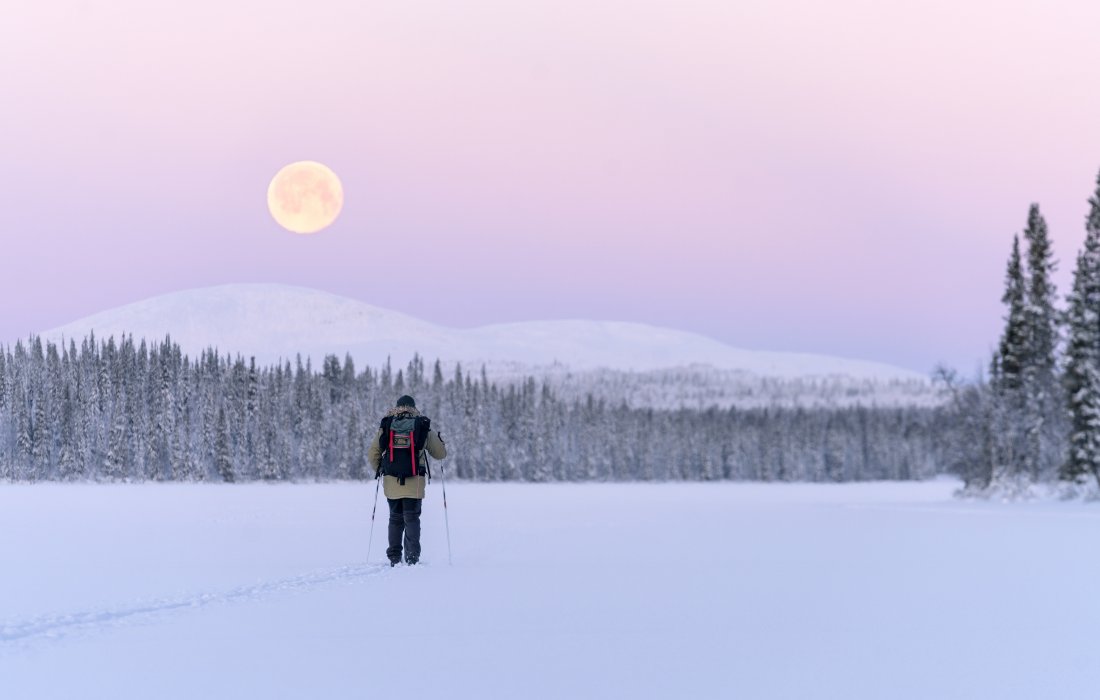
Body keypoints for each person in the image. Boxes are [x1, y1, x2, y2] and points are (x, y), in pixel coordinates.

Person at [367, 395, 447, 566]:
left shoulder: (387, 425)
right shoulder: (421, 426)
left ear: (397, 407)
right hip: (415, 481)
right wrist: (441, 441)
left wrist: (381, 470)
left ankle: (394, 558)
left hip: (391, 481)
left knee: (395, 519)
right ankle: (412, 558)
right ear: (413, 407)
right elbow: (440, 454)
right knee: (411, 519)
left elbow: (372, 454)